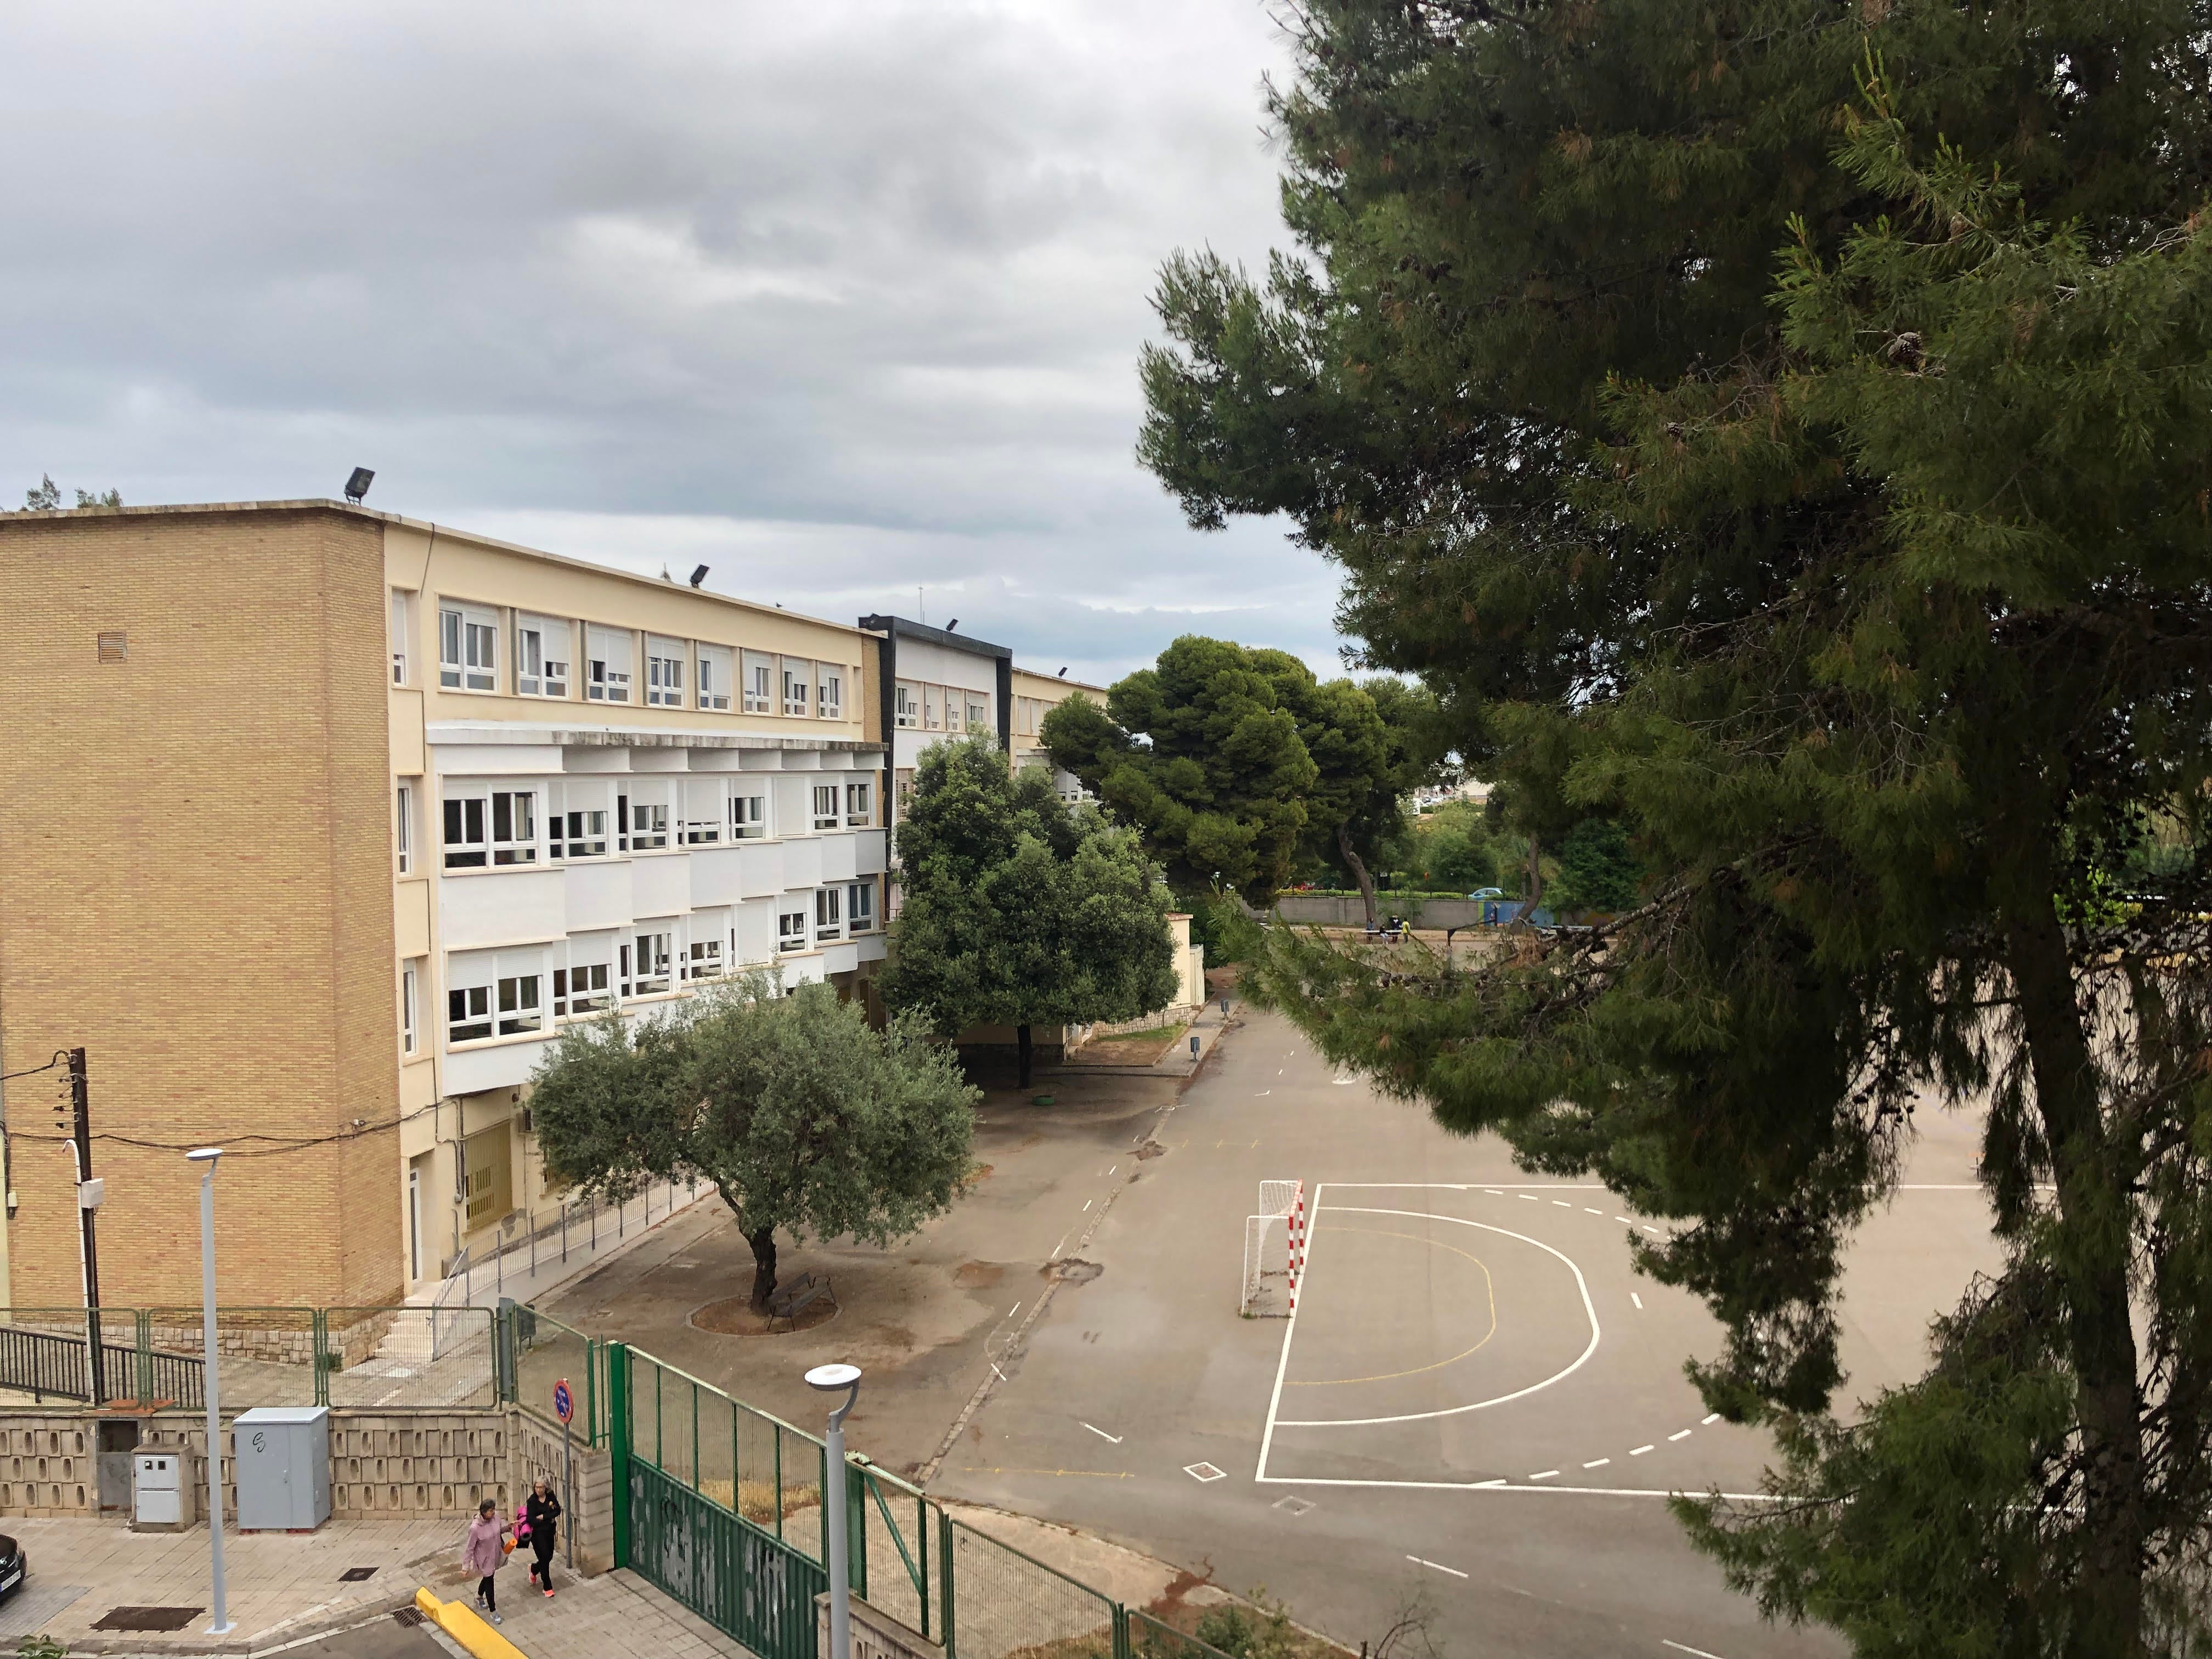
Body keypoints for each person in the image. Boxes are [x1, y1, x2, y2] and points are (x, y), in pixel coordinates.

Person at [463, 1498, 511, 1624]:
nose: (494, 1512)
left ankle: (479, 1597)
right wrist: (466, 1566)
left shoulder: (496, 1518)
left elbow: (498, 1531)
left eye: (494, 1510)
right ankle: (493, 1611)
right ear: (484, 1512)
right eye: (491, 1511)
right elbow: (470, 1548)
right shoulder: (475, 1528)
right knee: (490, 1582)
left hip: (495, 1555)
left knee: (488, 1578)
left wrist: (509, 1527)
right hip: (484, 1560)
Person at [524, 1477, 562, 1597]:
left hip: (550, 1532)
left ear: (545, 1488)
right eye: (536, 1487)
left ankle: (534, 1569)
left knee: (549, 1556)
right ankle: (548, 1587)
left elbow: (557, 1511)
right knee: (545, 1558)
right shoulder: (532, 1501)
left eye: (541, 1487)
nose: (538, 1490)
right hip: (537, 1534)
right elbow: (531, 1520)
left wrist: (544, 1517)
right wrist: (546, 1519)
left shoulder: (551, 1497)